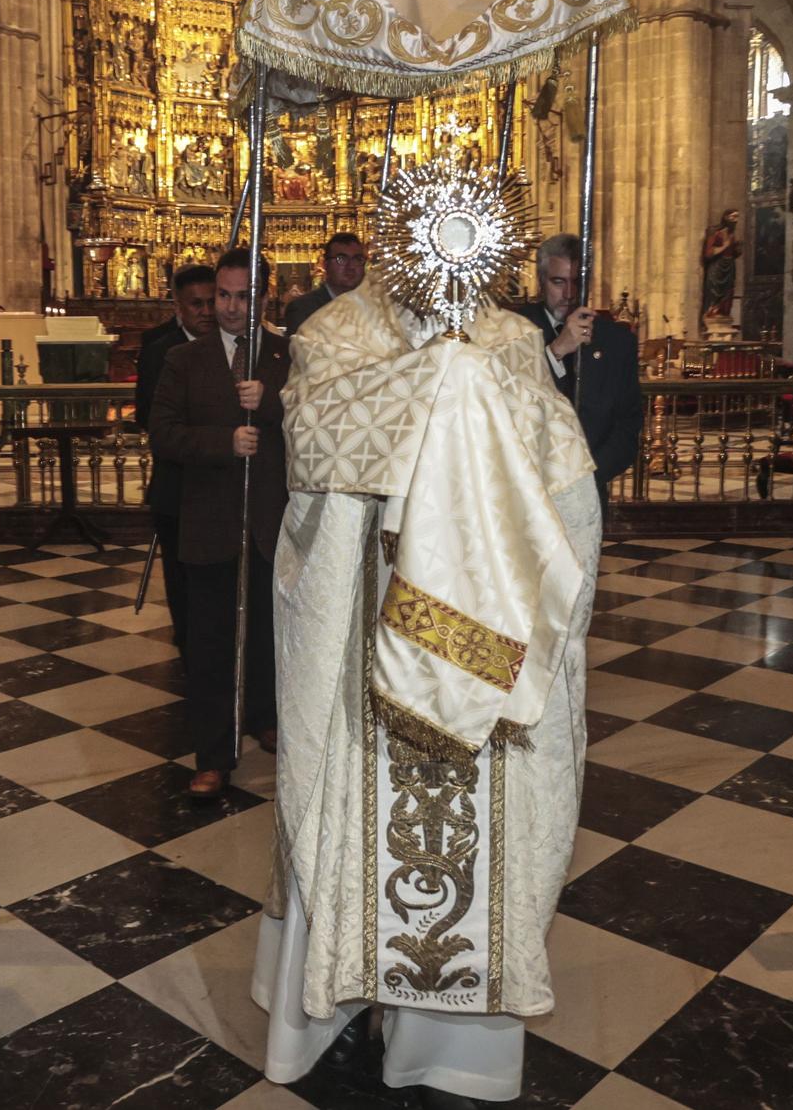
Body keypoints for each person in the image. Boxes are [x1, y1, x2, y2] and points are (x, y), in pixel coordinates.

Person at [256, 256, 601, 1108]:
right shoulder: (334, 331)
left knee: (483, 853)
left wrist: (471, 390)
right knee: (342, 832)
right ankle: (333, 1006)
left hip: (485, 661)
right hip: (361, 654)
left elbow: (568, 482)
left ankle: (452, 1047)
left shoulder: (514, 340)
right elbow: (308, 449)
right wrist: (433, 387)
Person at [147, 250, 283, 798]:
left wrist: (271, 405)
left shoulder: (286, 356)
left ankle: (267, 718)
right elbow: (163, 432)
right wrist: (222, 443)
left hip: (272, 526)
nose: (230, 307)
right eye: (224, 295)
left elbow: (319, 426)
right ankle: (212, 755)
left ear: (264, 298)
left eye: (244, 297)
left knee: (270, 637)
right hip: (209, 525)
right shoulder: (187, 359)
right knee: (208, 645)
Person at [512, 233, 642, 510]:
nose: (569, 294)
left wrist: (588, 476)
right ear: (541, 281)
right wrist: (556, 350)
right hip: (524, 494)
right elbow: (507, 401)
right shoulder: (512, 330)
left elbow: (627, 427)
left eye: (577, 283)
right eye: (558, 282)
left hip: (589, 492)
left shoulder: (617, 342)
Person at [135, 264, 217, 654]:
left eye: (211, 301)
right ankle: (189, 652)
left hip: (220, 486)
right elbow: (148, 417)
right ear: (177, 306)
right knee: (181, 581)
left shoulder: (235, 343)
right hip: (178, 485)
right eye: (195, 304)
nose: (206, 311)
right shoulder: (158, 350)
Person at [284, 233, 367, 332]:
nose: (350, 267)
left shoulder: (373, 307)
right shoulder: (303, 308)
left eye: (357, 259)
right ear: (325, 265)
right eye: (341, 259)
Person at [700, 209, 741, 323]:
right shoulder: (716, 232)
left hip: (729, 267)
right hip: (717, 267)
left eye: (737, 217)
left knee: (728, 291)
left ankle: (723, 313)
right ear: (726, 218)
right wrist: (725, 246)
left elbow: (734, 252)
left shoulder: (732, 235)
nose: (735, 220)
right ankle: (712, 313)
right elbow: (708, 253)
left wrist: (737, 249)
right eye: (733, 217)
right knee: (714, 291)